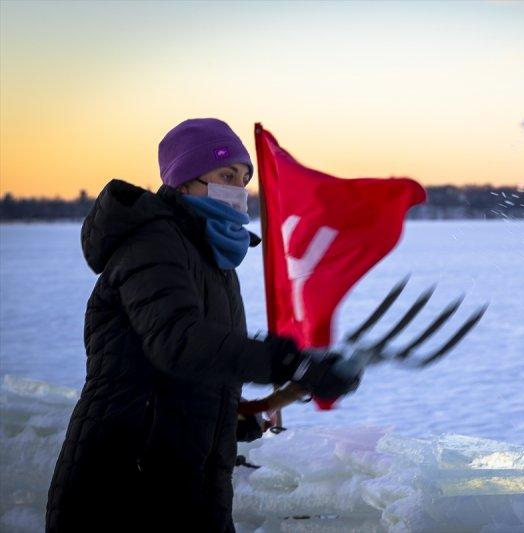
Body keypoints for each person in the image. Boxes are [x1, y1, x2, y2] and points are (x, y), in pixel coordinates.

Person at [45, 118, 360, 532]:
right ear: (184, 182)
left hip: (188, 481)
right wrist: (289, 362)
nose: (239, 188)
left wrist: (233, 418)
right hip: (126, 484)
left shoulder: (211, 256)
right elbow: (178, 342)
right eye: (226, 175)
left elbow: (197, 372)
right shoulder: (151, 243)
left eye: (245, 178)